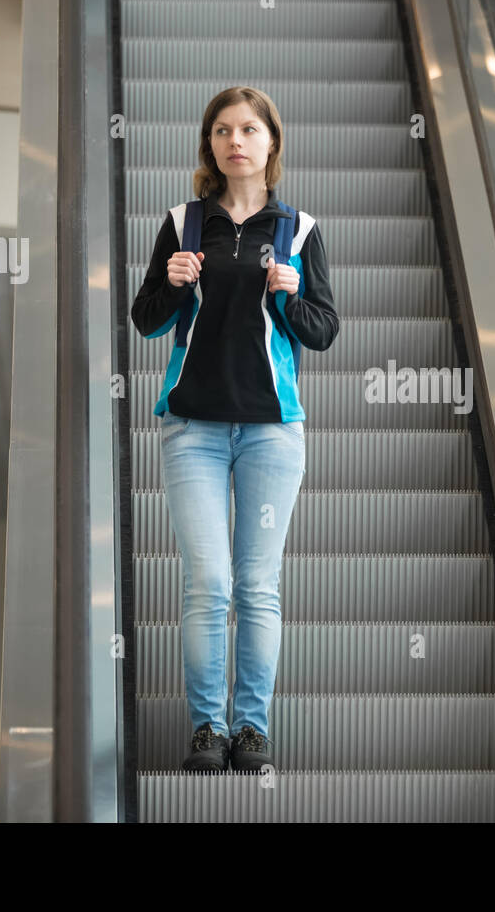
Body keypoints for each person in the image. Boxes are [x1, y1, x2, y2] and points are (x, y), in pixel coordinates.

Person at [130, 86, 339, 773]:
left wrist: (287, 296)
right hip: (192, 425)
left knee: (257, 585)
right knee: (207, 583)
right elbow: (147, 319)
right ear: (211, 144)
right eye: (222, 130)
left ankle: (251, 729)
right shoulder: (184, 223)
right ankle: (205, 730)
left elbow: (324, 331)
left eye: (248, 129)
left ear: (271, 142)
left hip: (272, 431)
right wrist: (173, 280)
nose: (235, 141)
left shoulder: (300, 231)